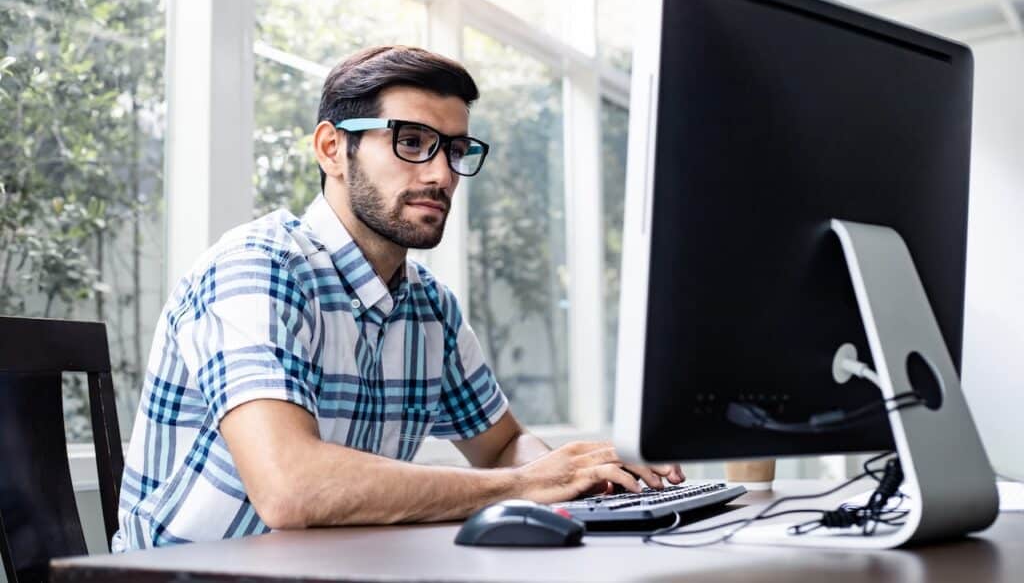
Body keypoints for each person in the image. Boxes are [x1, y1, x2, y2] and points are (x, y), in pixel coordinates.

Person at [112, 45, 683, 551]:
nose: (441, 174)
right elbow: (290, 487)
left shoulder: (430, 306)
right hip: (180, 575)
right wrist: (524, 485)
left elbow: (503, 444)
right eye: (411, 142)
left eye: (456, 150)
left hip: (336, 572)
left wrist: (581, 474)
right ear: (333, 149)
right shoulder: (257, 267)